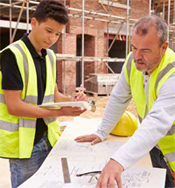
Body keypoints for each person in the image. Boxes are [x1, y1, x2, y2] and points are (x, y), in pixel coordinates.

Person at [75, 15, 175, 188]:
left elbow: (157, 122)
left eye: (145, 50)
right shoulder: (132, 62)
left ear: (164, 47)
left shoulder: (172, 73)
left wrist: (118, 161)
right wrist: (102, 131)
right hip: (155, 148)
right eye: (134, 47)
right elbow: (118, 98)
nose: (137, 56)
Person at [0, 1, 87, 188]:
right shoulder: (12, 55)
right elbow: (14, 106)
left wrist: (72, 101)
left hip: (49, 138)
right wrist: (59, 112)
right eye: (49, 31)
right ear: (33, 23)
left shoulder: (50, 56)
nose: (52, 38)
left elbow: (53, 94)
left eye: (57, 34)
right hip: (25, 147)